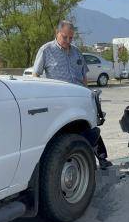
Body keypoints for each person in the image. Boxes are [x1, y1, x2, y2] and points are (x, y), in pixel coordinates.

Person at [32, 20, 112, 168]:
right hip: (59, 99)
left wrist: (87, 94)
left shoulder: (76, 51)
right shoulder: (46, 50)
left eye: (71, 38)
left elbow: (83, 75)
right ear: (57, 33)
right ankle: (72, 162)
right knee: (65, 132)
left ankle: (101, 158)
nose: (68, 41)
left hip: (79, 96)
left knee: (90, 127)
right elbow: (35, 75)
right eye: (65, 37)